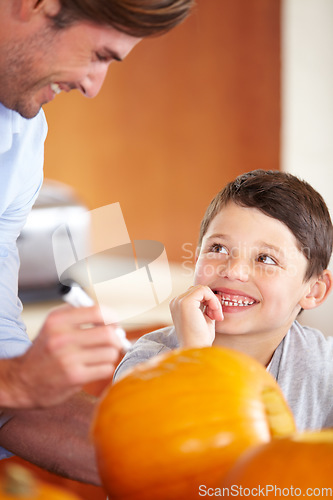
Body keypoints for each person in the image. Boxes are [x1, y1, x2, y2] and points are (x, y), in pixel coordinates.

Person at [0, 0, 193, 483]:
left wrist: (189, 461)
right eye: (100, 55)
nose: (92, 86)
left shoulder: (22, 136)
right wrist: (17, 381)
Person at [114, 169, 333, 431]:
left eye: (265, 258)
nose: (233, 271)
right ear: (196, 261)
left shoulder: (325, 367)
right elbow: (148, 458)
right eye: (218, 249)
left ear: (314, 291)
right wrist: (195, 357)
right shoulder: (147, 365)